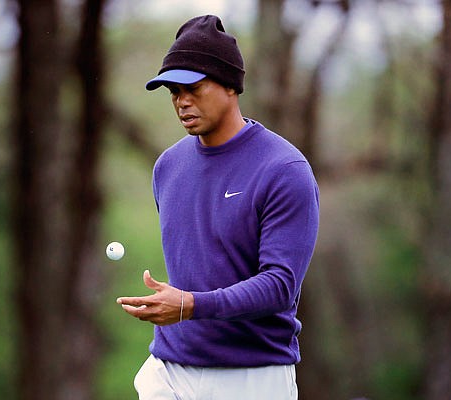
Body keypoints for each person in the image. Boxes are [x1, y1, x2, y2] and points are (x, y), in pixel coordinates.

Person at [116, 14, 319, 400]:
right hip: (169, 370)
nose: (181, 101)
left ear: (230, 86)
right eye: (173, 91)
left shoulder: (284, 170)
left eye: (193, 87)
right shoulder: (168, 167)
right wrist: (180, 307)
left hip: (251, 378)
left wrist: (190, 305)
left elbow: (279, 286)